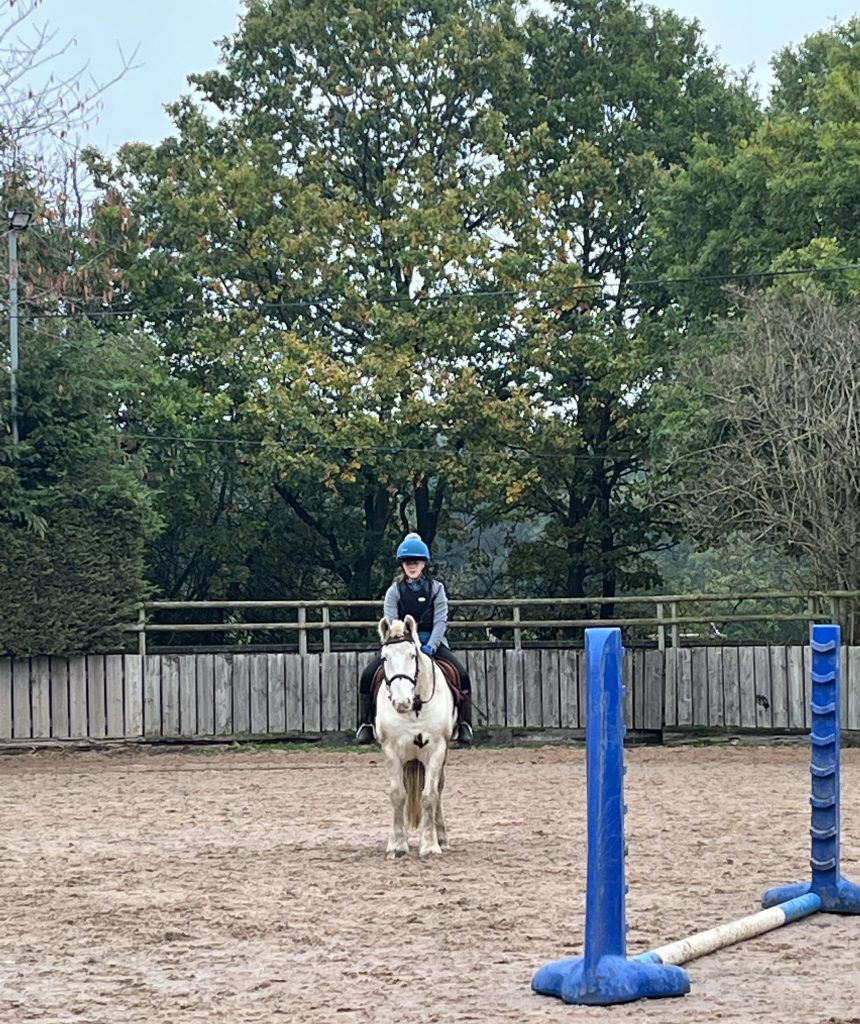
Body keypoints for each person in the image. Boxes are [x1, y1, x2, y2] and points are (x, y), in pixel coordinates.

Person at [356, 532, 473, 746]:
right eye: (408, 562)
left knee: (462, 674)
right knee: (368, 675)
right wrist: (408, 645)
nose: (412, 566)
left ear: (423, 564)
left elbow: (441, 621)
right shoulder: (394, 592)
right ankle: (365, 724)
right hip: (402, 646)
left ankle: (464, 723)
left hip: (432, 643)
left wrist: (430, 646)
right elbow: (392, 624)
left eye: (416, 562)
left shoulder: (437, 589)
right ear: (402, 565)